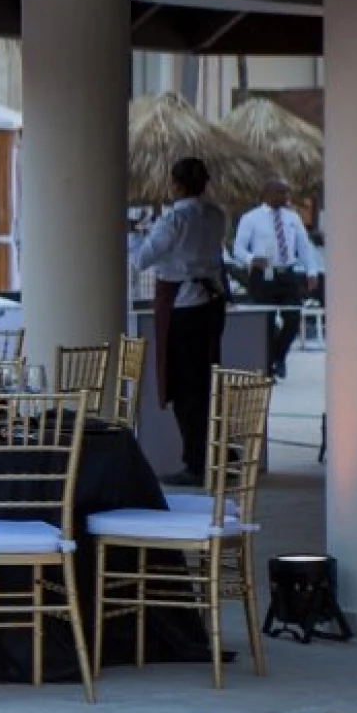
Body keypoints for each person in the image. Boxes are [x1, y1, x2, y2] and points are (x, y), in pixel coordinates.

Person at [131, 156, 229, 488]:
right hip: (211, 304)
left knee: (183, 385)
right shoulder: (216, 215)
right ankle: (210, 453)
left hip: (182, 306)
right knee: (206, 380)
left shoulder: (174, 219)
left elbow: (143, 259)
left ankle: (195, 461)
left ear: (176, 185)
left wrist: (142, 235)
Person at [232, 176, 316, 380]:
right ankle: (267, 364)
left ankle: (279, 357)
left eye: (286, 192)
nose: (286, 196)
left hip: (286, 273)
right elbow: (238, 249)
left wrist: (311, 271)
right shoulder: (251, 218)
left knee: (293, 317)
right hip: (263, 275)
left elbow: (304, 246)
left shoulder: (292, 218)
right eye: (281, 192)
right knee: (266, 321)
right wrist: (252, 259)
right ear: (267, 194)